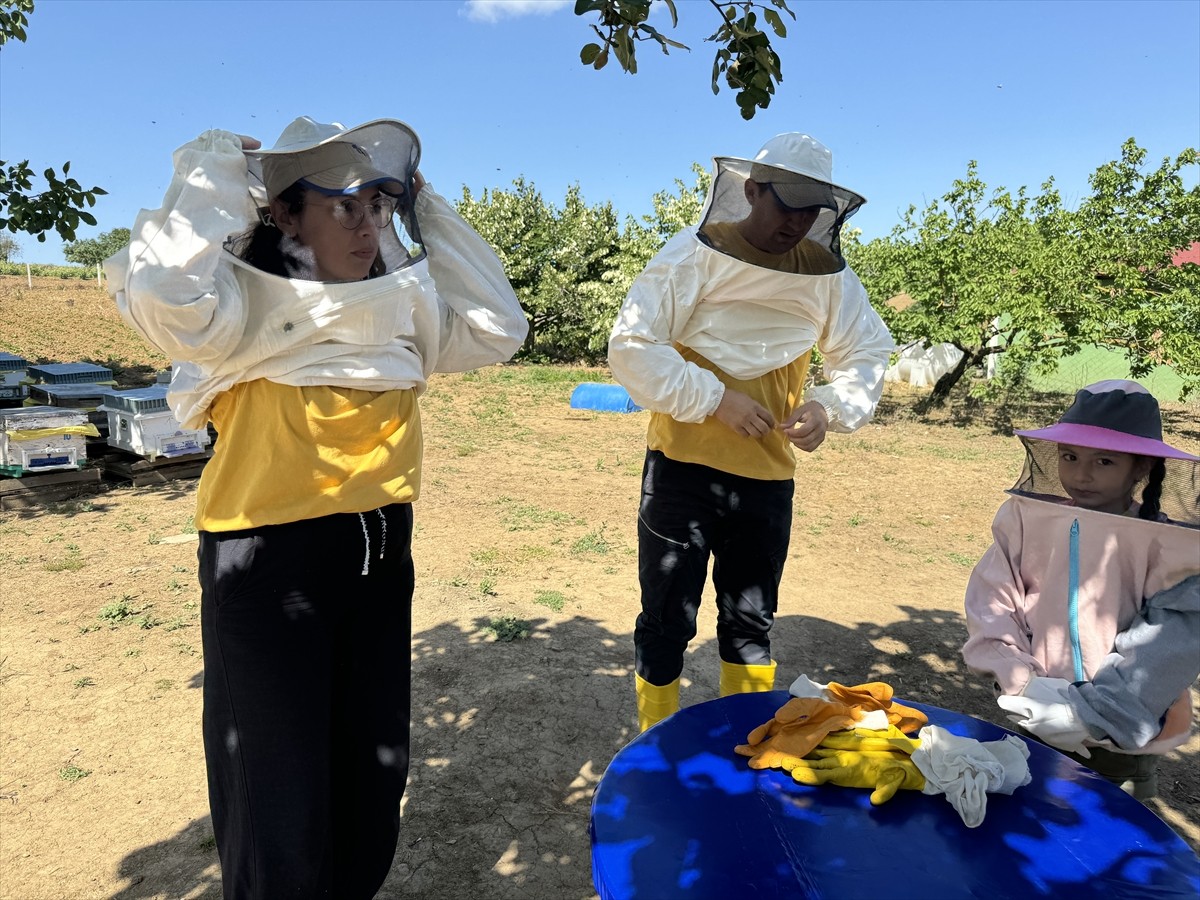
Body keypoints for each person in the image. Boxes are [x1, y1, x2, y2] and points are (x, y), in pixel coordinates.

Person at [105, 116, 528, 898]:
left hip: (379, 552)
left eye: (378, 204)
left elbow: (501, 327)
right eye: (343, 205)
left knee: (372, 778)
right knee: (279, 800)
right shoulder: (232, 309)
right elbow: (163, 288)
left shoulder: (405, 306)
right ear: (285, 214)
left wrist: (428, 212)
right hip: (268, 559)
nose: (367, 225)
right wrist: (217, 171)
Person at [607, 133, 894, 732]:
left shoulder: (829, 277)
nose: (799, 221)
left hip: (766, 480)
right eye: (786, 203)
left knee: (750, 621)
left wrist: (827, 407)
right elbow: (632, 345)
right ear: (750, 189)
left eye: (812, 209)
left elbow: (865, 351)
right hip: (680, 472)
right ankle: (653, 743)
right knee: (666, 617)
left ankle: (749, 741)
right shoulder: (691, 255)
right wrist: (715, 400)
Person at [962, 380, 1200, 799]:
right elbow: (994, 599)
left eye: (1104, 461)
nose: (1081, 474)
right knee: (1026, 825)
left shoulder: (1172, 547)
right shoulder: (1026, 520)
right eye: (1070, 457)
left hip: (1122, 739)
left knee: (1111, 843)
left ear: (1141, 467)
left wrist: (1097, 713)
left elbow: (1173, 638)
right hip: (1033, 715)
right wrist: (1019, 680)